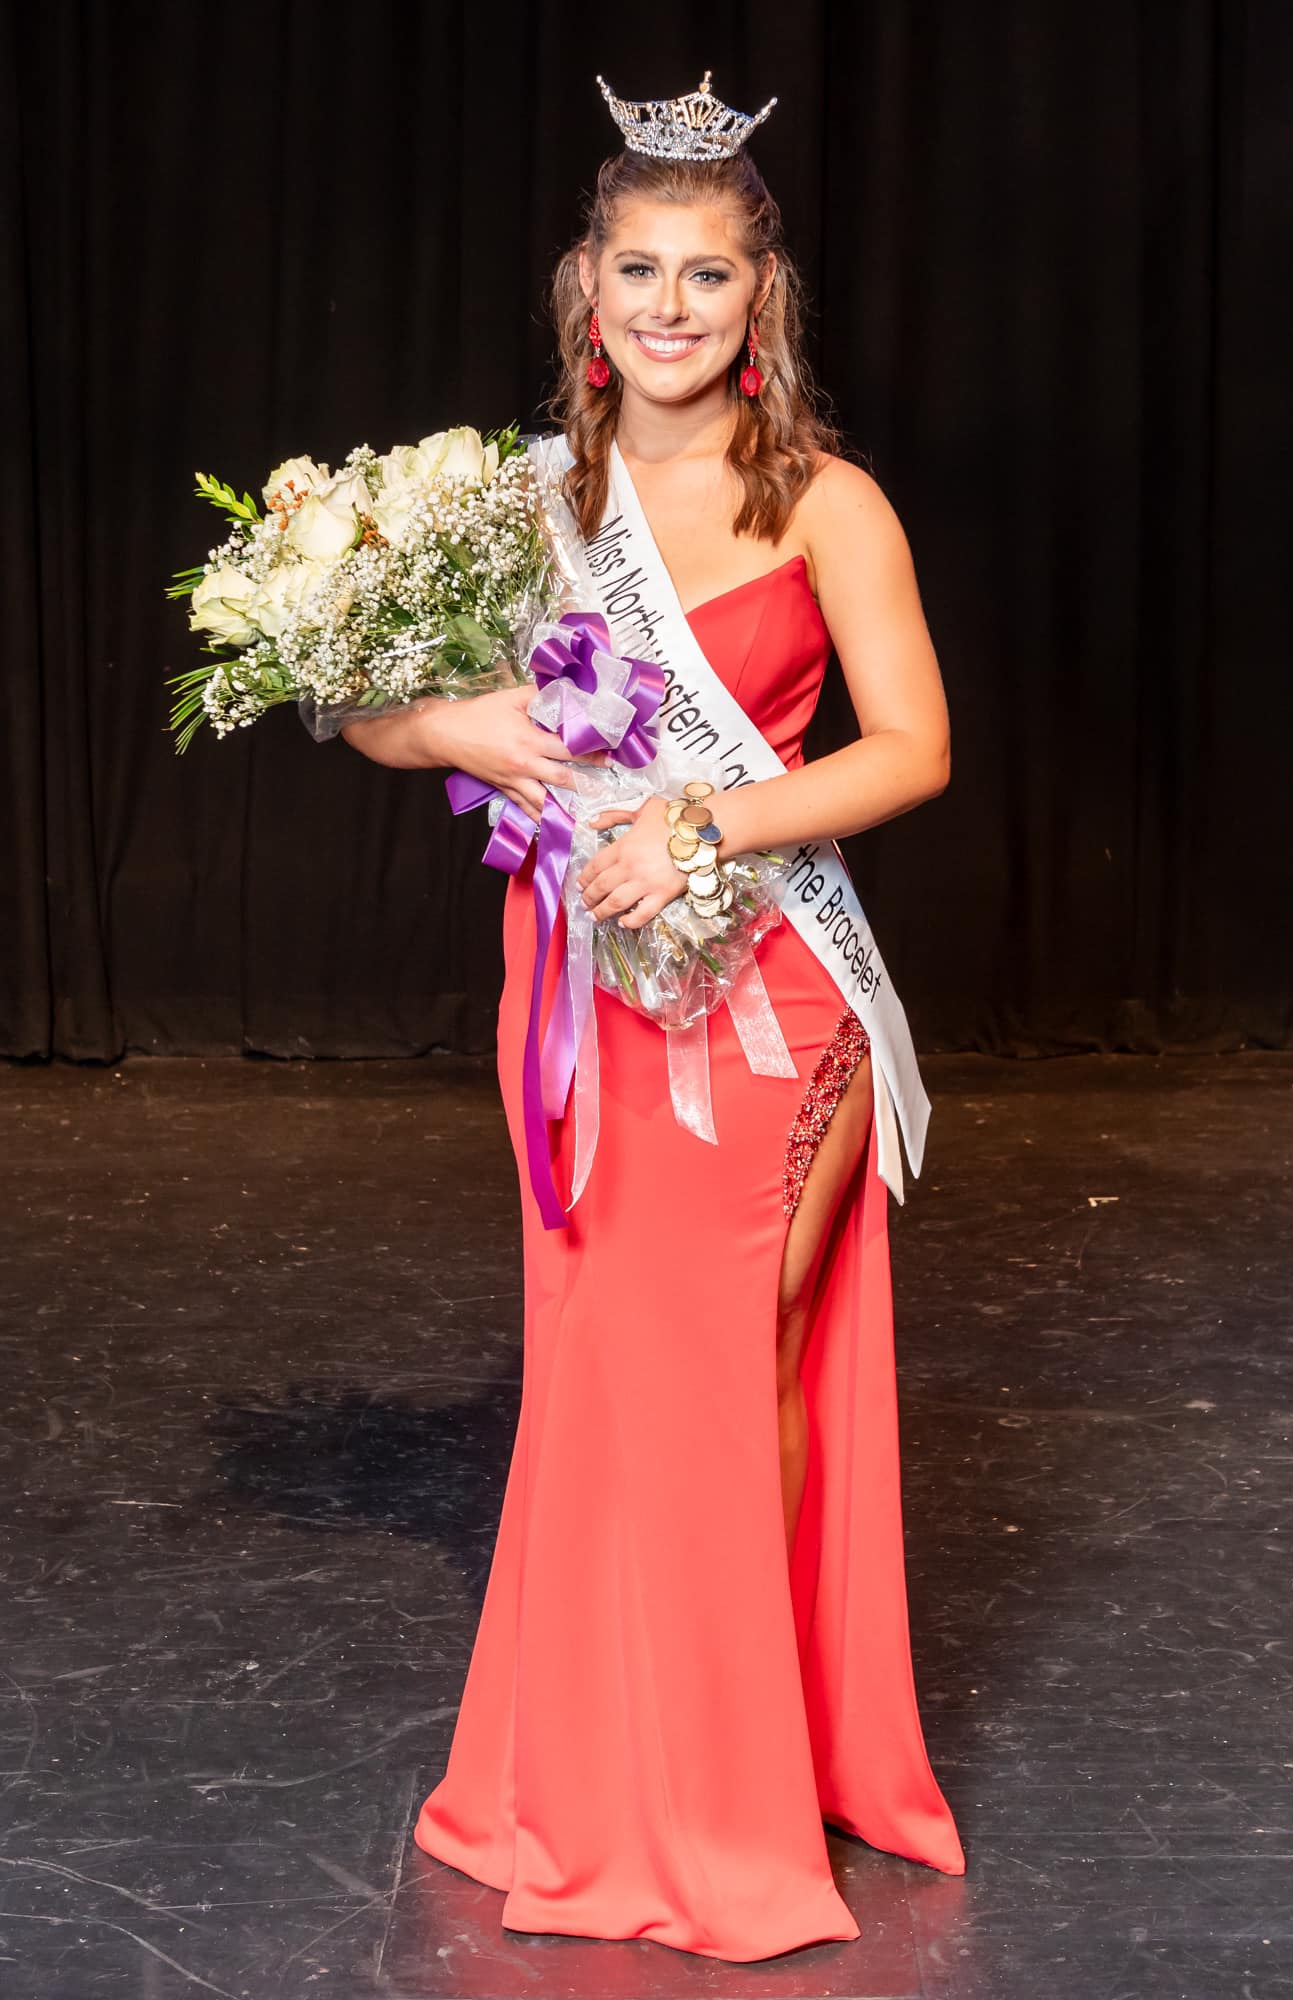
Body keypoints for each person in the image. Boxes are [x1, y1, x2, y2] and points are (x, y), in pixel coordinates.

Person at [341, 69, 963, 1964]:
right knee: (616, 1385)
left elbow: (914, 752)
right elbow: (368, 706)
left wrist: (706, 809)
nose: (672, 306)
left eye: (710, 275)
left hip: (775, 984)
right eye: (640, 270)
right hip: (586, 1003)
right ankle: (612, 1766)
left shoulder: (831, 503)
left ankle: (726, 1786)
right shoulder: (524, 504)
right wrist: (459, 726)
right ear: (583, 294)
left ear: (760, 304)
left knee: (718, 1375)